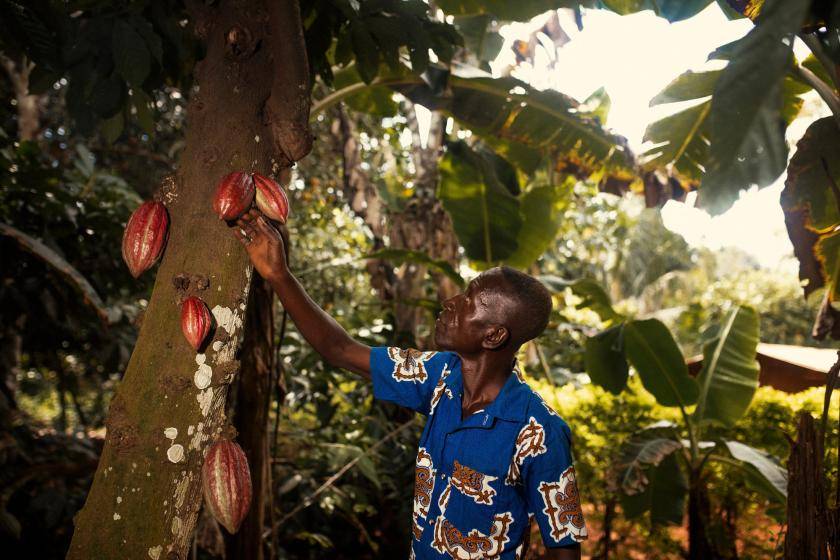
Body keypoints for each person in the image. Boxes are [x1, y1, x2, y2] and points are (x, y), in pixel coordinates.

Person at [234, 209, 587, 560]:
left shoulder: (538, 432)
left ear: (494, 336)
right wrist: (278, 274)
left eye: (469, 301)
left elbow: (564, 548)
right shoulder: (438, 376)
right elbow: (340, 349)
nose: (450, 302)